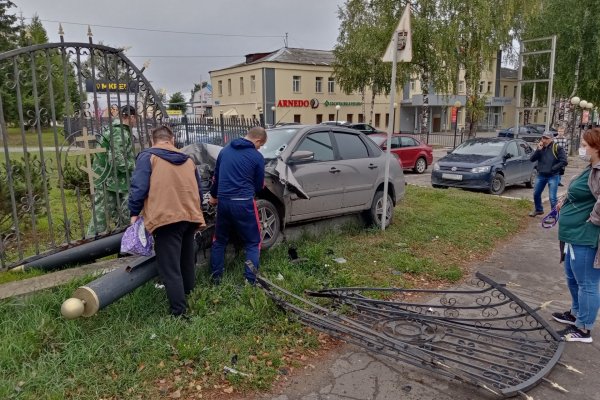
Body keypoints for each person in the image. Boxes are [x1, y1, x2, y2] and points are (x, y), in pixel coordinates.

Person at [128, 125, 206, 317]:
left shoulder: (148, 157)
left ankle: (179, 312)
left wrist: (134, 212)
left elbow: (139, 187)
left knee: (170, 267)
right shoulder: (188, 160)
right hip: (190, 215)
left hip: (165, 218)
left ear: (153, 140)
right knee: (187, 261)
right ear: (171, 140)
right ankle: (190, 296)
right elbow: (199, 189)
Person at [552, 128, 600, 342]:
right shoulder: (590, 168)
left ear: (597, 147)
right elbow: (581, 193)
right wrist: (565, 200)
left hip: (585, 236)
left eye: (584, 145)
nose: (582, 148)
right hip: (572, 235)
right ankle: (575, 314)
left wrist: (592, 220)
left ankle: (583, 329)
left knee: (587, 283)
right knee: (573, 278)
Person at [209, 126, 267, 285]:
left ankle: (215, 278)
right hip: (244, 203)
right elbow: (259, 186)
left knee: (219, 241)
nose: (259, 148)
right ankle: (250, 281)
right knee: (253, 242)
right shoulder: (257, 157)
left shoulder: (225, 151)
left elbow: (216, 178)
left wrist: (213, 197)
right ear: (257, 140)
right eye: (260, 145)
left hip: (223, 202)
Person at [87, 104, 137, 236]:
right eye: (135, 118)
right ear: (131, 117)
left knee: (123, 214)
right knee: (100, 217)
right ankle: (90, 248)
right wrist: (135, 167)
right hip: (109, 181)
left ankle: (125, 243)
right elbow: (117, 159)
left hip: (114, 181)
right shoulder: (118, 131)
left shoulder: (117, 129)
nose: (135, 121)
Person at [528, 132, 568, 217]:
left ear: (551, 139)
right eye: (543, 138)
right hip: (541, 174)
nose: (544, 140)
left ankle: (553, 215)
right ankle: (538, 210)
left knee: (552, 197)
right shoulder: (541, 148)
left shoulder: (557, 148)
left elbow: (564, 161)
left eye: (546, 138)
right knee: (536, 194)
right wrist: (538, 150)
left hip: (553, 175)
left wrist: (553, 168)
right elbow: (532, 159)